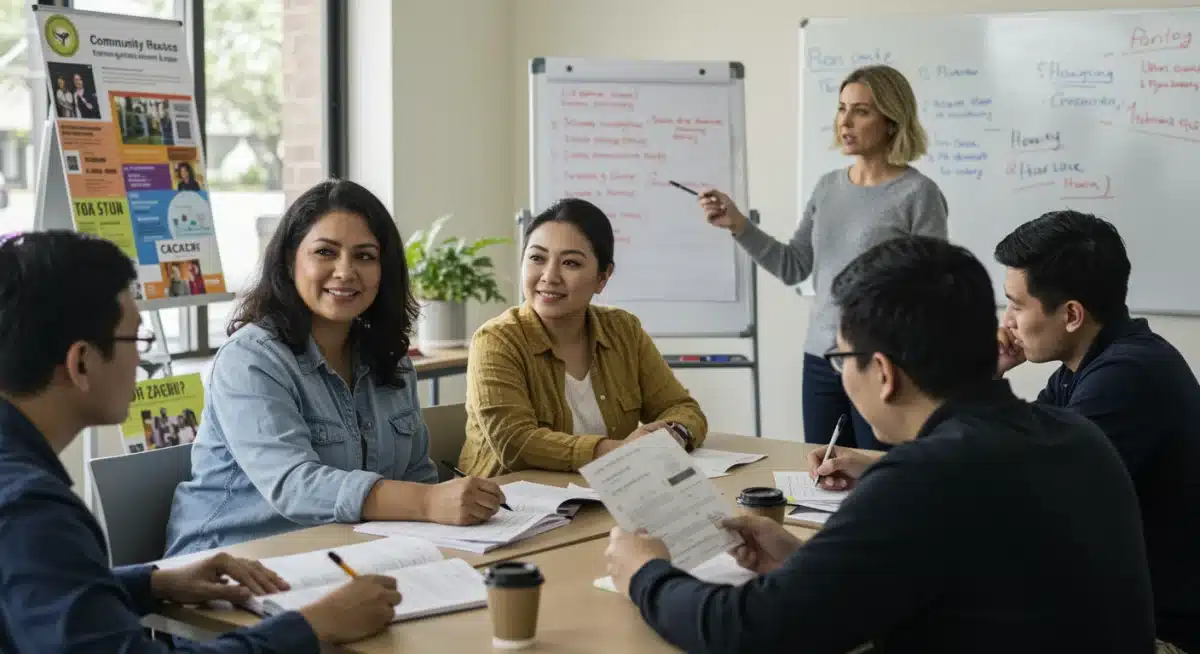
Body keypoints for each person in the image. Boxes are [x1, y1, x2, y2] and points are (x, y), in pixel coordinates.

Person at [604, 236, 1155, 653]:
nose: (843, 375)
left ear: (885, 374)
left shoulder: (925, 476)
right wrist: (805, 565)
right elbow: (970, 584)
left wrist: (644, 574)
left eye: (843, 359)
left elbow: (750, 632)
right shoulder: (1073, 434)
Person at [0, 230, 403, 652]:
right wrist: (315, 625)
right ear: (81, 362)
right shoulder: (31, 509)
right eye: (136, 339)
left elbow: (41, 591)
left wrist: (153, 583)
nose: (141, 358)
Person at [165, 180, 506, 556]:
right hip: (229, 562)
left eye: (364, 256)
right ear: (290, 259)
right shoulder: (250, 358)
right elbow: (295, 486)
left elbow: (416, 476)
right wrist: (426, 503)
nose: (345, 271)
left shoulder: (390, 358)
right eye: (326, 252)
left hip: (345, 553)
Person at [698, 65, 947, 452]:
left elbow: (934, 291)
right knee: (823, 474)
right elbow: (794, 265)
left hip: (882, 364)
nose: (844, 122)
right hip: (820, 359)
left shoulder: (918, 194)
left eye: (861, 111)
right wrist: (738, 225)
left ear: (892, 121)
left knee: (878, 479)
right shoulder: (828, 187)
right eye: (841, 108)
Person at [994, 210, 1200, 651]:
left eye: (1016, 304)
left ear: (1071, 314)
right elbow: (1010, 452)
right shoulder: (1085, 367)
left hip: (1158, 637)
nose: (1006, 321)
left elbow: (1025, 499)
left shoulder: (1128, 377)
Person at [459, 197, 707, 477]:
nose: (549, 276)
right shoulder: (497, 340)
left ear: (603, 277)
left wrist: (673, 434)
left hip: (602, 499)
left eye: (571, 263)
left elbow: (681, 408)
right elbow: (516, 443)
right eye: (537, 258)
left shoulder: (623, 330)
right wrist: (620, 452)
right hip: (510, 509)